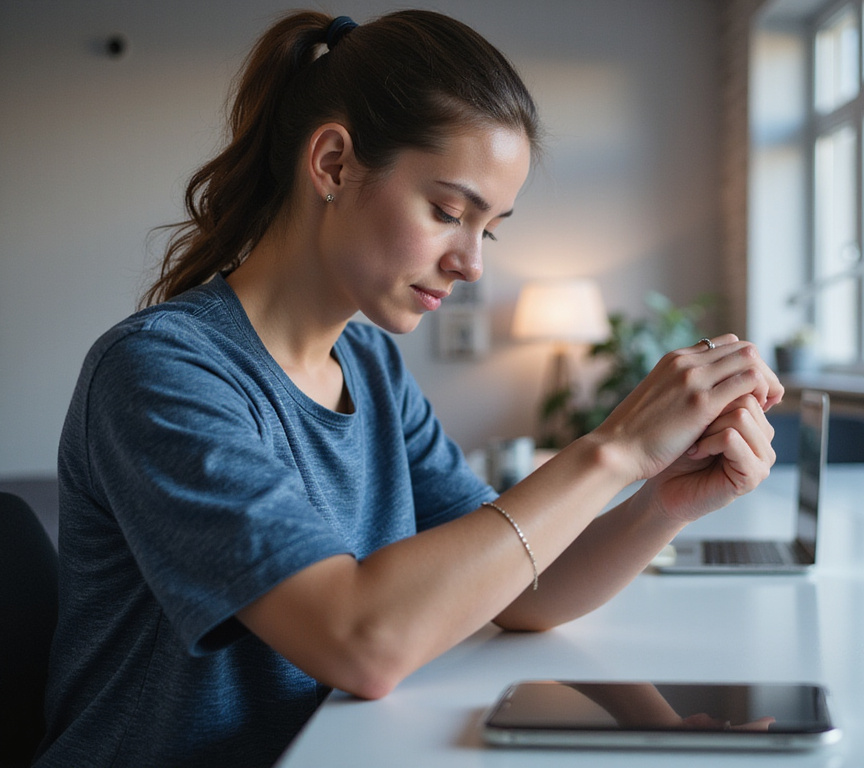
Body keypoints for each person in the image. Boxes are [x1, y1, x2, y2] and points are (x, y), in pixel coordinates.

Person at [36, 10, 782, 768]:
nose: (472, 264)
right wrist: (615, 449)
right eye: (448, 212)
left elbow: (519, 587)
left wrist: (664, 499)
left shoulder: (370, 365)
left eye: (487, 229)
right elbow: (360, 640)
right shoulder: (162, 372)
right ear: (331, 164)